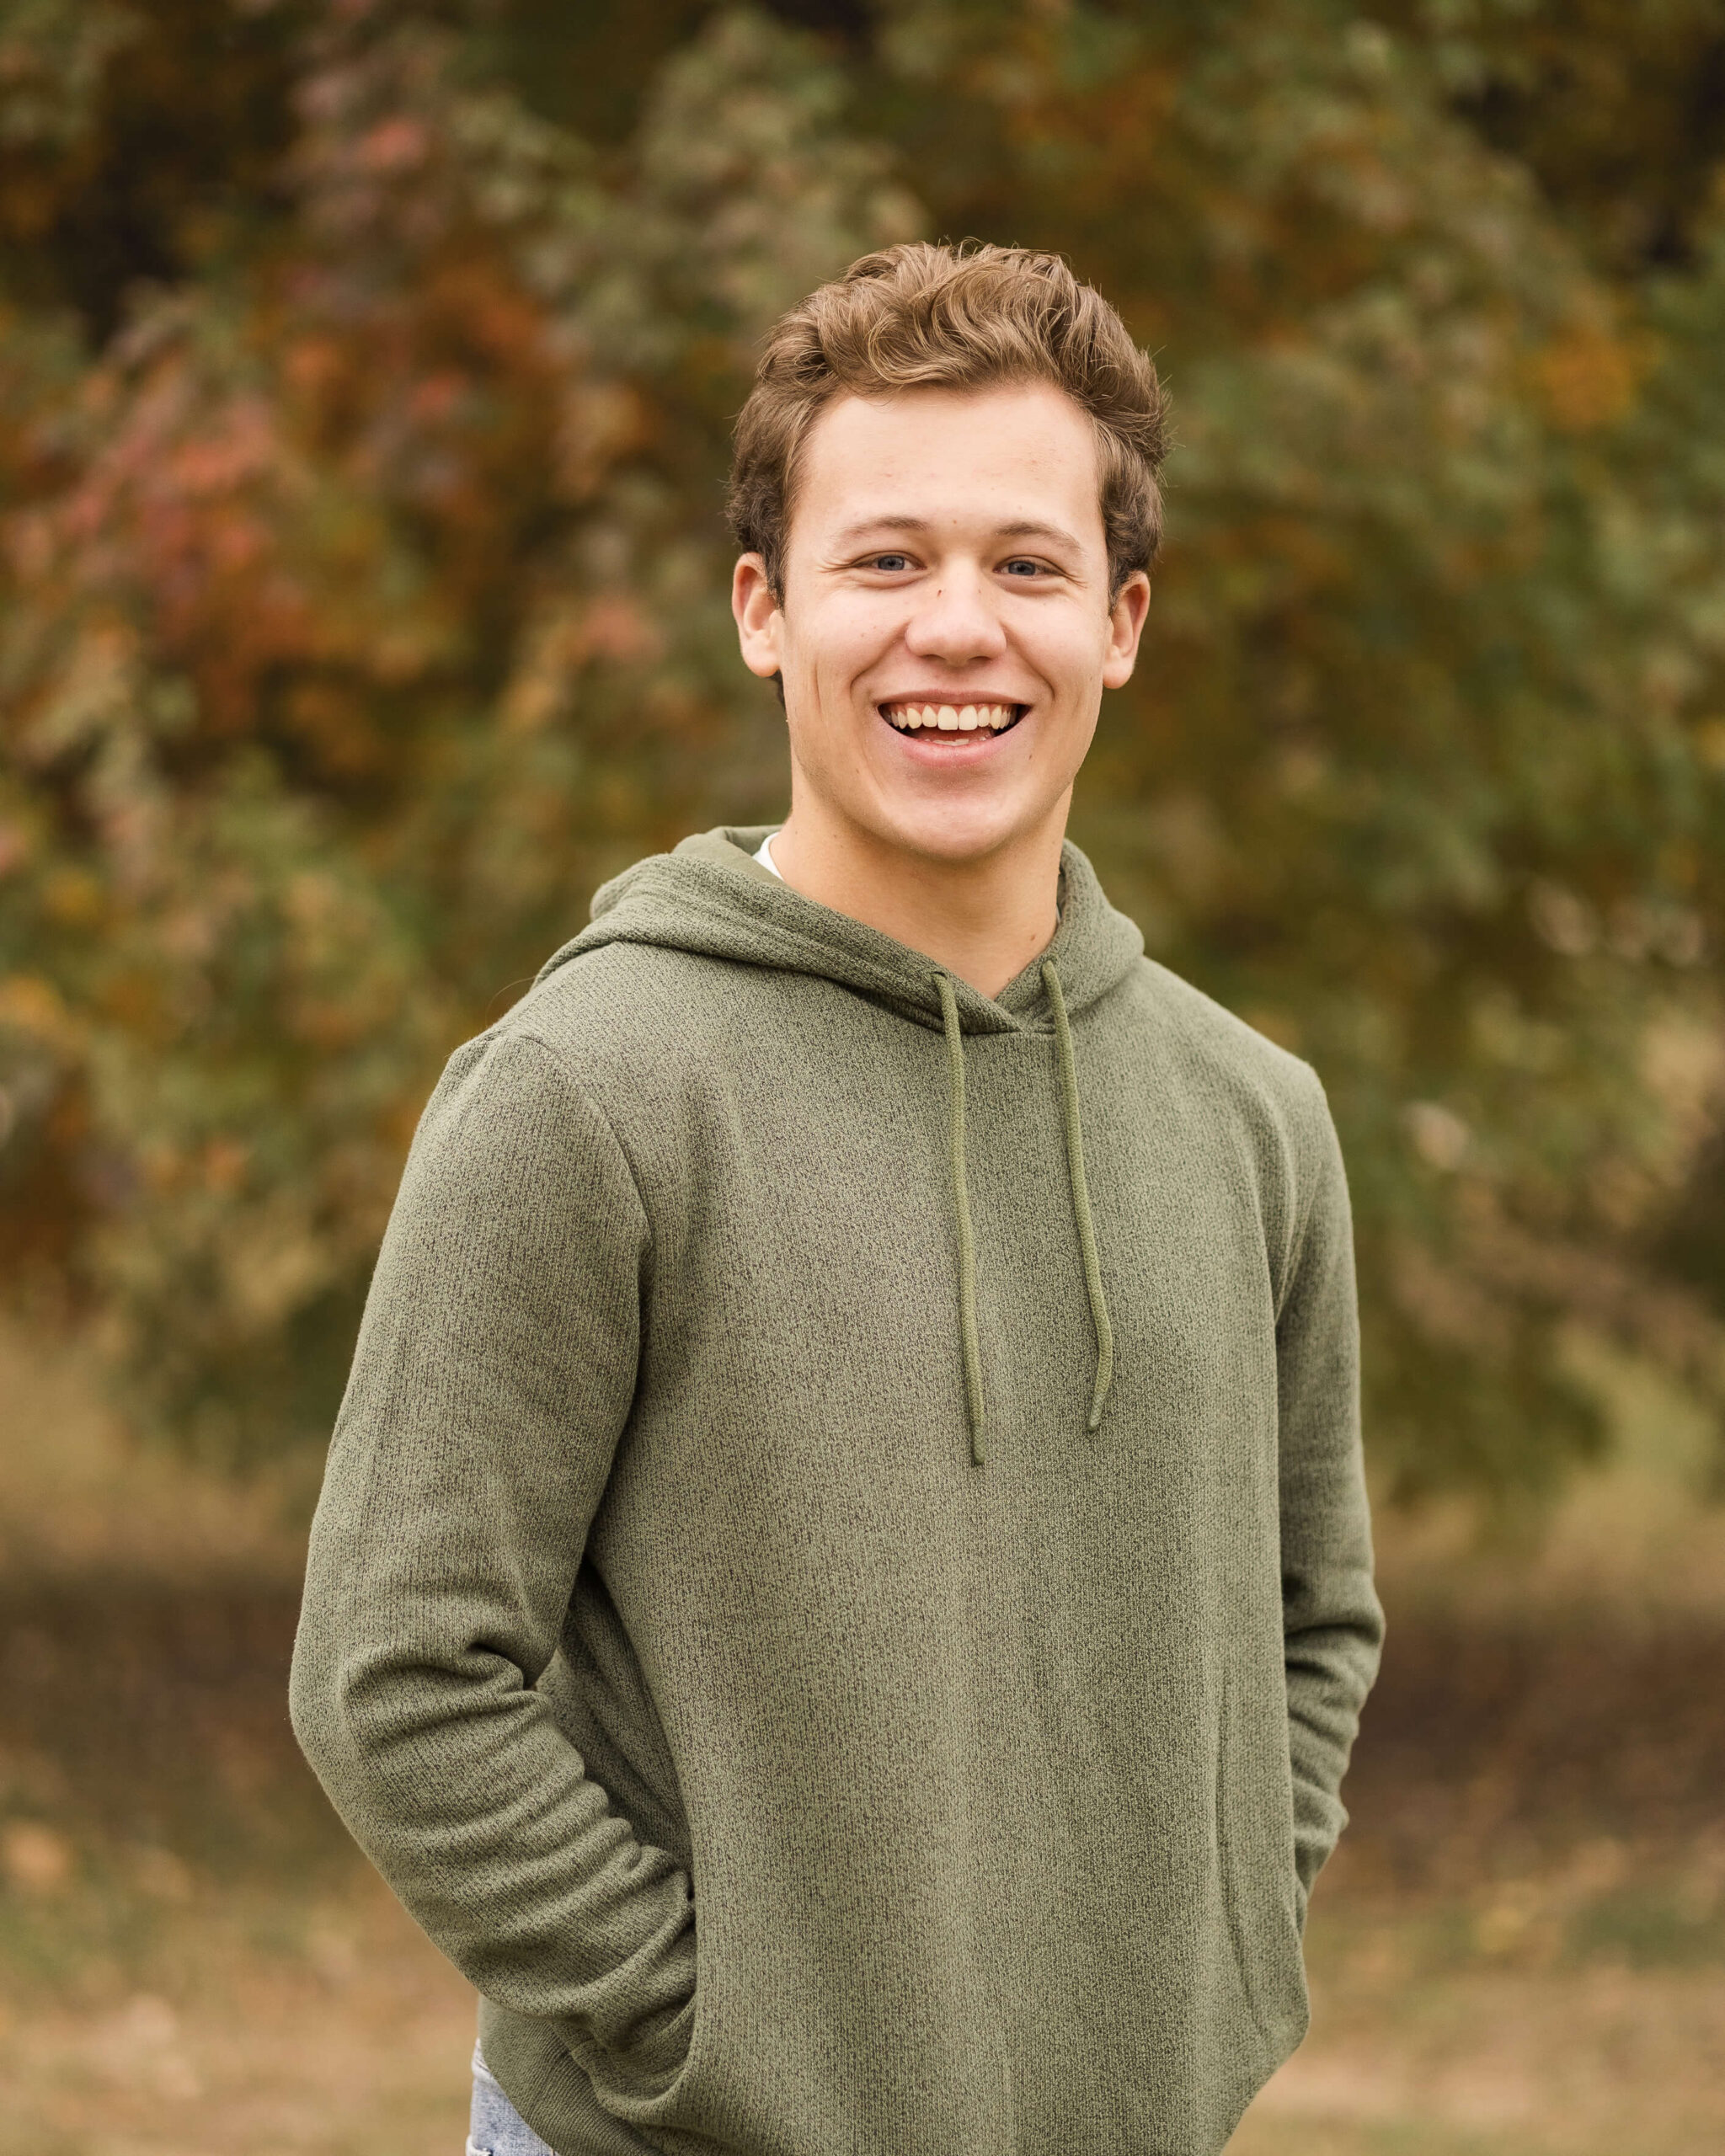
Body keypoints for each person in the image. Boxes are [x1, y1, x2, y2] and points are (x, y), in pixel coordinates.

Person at [290, 240, 1385, 2156]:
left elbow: (1313, 1624)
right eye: (884, 560)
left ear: (1119, 621)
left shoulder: (1252, 1116)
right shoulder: (584, 1091)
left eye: (1024, 565)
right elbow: (395, 1678)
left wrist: (1210, 1961)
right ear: (761, 611)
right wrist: (722, 2034)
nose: (955, 626)